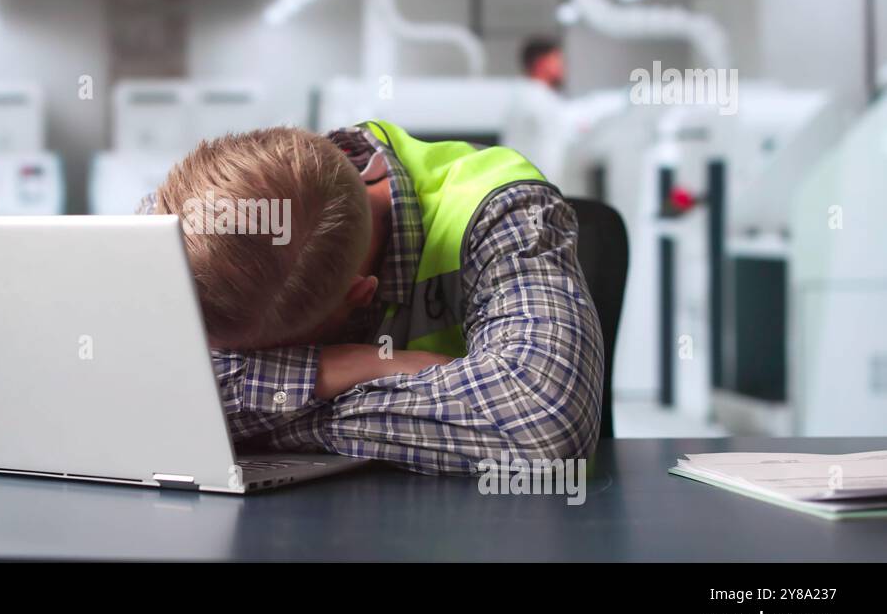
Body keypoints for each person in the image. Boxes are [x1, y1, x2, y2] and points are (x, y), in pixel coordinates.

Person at [140, 121, 602, 474]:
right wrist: (337, 367)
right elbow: (98, 384)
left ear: (359, 296)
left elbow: (541, 426)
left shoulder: (501, 209)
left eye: (254, 354)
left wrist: (241, 414)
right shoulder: (194, 217)